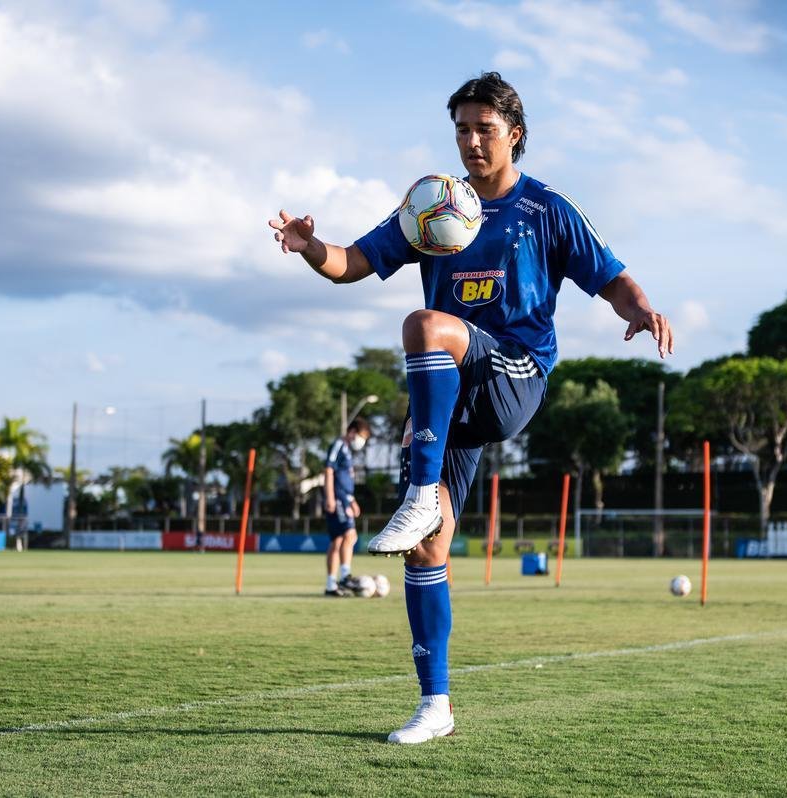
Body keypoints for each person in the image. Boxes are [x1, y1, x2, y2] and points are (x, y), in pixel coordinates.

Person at [270, 71, 674, 744]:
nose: (471, 141)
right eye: (461, 128)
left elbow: (611, 276)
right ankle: (436, 707)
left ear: (514, 135)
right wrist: (310, 245)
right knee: (427, 551)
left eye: (484, 129)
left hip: (516, 373)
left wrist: (643, 310)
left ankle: (421, 490)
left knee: (426, 325)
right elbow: (351, 263)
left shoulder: (547, 210)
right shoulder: (431, 205)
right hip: (451, 396)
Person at [323, 418, 370, 597]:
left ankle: (331, 585)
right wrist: (330, 498)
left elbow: (345, 479)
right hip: (337, 498)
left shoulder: (348, 451)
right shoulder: (338, 445)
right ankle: (344, 577)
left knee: (337, 541)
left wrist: (352, 500)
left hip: (344, 498)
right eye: (361, 436)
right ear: (351, 432)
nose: (361, 441)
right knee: (350, 535)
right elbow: (328, 470)